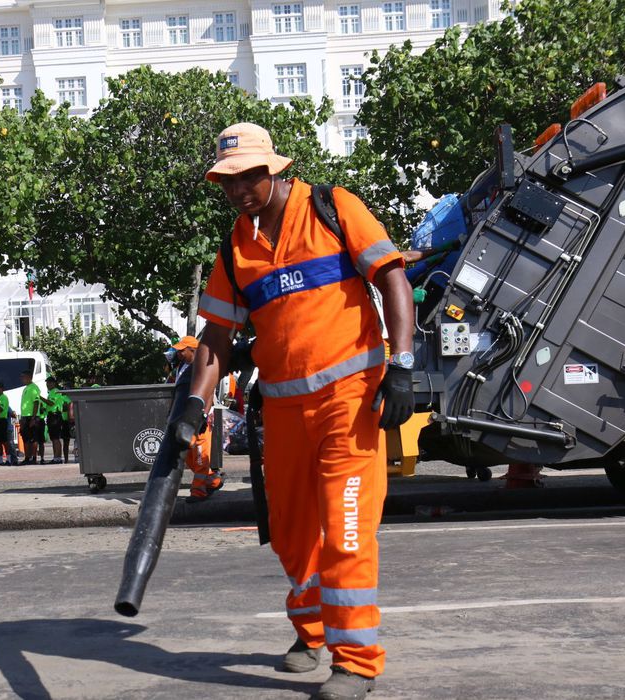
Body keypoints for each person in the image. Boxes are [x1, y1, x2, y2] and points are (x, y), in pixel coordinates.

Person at [171, 123, 414, 700]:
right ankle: (311, 633)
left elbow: (393, 278)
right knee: (290, 533)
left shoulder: (334, 208)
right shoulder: (235, 248)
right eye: (228, 181)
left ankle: (356, 661)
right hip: (280, 411)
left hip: (349, 401)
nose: (239, 189)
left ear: (273, 169)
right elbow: (218, 337)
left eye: (249, 176)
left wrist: (402, 363)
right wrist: (192, 407)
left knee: (346, 529)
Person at [169, 336, 224, 503]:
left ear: (192, 350)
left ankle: (198, 491)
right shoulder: (183, 367)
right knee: (188, 456)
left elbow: (207, 392)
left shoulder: (201, 367)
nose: (178, 353)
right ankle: (213, 480)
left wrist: (204, 415)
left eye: (181, 350)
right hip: (188, 417)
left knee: (200, 456)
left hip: (201, 418)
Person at [18, 369, 49, 465]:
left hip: (32, 417)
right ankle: (27, 457)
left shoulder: (34, 388)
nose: (21, 379)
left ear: (29, 377)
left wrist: (33, 418)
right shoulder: (26, 388)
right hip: (25, 417)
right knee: (26, 438)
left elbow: (36, 403)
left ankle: (34, 458)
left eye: (23, 377)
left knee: (34, 439)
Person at [44, 376, 73, 464]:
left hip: (56, 416)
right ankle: (56, 457)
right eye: (47, 383)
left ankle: (59, 458)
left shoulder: (56, 392)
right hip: (54, 416)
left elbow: (53, 403)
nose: (48, 384)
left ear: (54, 383)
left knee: (57, 438)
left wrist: (40, 398)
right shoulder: (52, 392)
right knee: (54, 438)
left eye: (49, 382)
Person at [0, 382, 18, 466]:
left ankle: (9, 459)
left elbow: (1, 409)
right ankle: (0, 460)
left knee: (6, 442)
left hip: (2, 421)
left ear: (2, 389)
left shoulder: (3, 398)